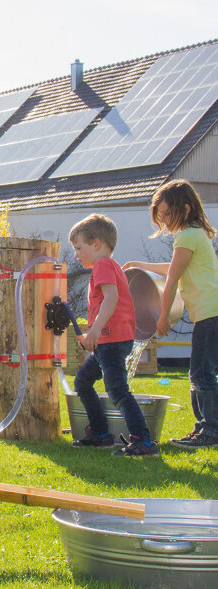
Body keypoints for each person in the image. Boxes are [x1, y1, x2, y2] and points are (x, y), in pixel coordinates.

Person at [124, 180, 218, 449]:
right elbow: (173, 267)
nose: (163, 221)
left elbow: (174, 279)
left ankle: (211, 430)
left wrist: (163, 317)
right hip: (209, 314)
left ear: (185, 209)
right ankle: (205, 428)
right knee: (201, 373)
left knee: (202, 374)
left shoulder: (189, 235)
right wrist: (140, 264)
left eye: (166, 214)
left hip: (210, 315)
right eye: (160, 216)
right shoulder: (193, 235)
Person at [68, 213, 158, 456]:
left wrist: (95, 330)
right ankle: (100, 434)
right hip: (108, 341)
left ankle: (143, 441)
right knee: (82, 382)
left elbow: (111, 298)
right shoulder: (107, 266)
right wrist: (92, 334)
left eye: (79, 247)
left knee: (117, 390)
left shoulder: (103, 265)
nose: (76, 254)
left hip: (112, 340)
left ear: (96, 244)